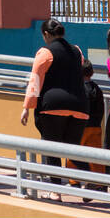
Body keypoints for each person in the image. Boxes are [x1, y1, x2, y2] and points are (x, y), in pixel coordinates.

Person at [21, 19, 88, 186]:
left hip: (52, 106)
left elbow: (35, 81)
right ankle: (92, 178)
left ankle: (55, 189)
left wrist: (27, 107)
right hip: (80, 106)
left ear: (46, 34)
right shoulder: (77, 51)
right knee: (73, 149)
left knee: (52, 149)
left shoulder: (45, 53)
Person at [66, 59, 105, 190]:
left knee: (73, 152)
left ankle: (74, 181)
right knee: (95, 156)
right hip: (95, 126)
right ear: (92, 73)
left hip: (80, 127)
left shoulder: (78, 89)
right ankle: (99, 182)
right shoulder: (97, 89)